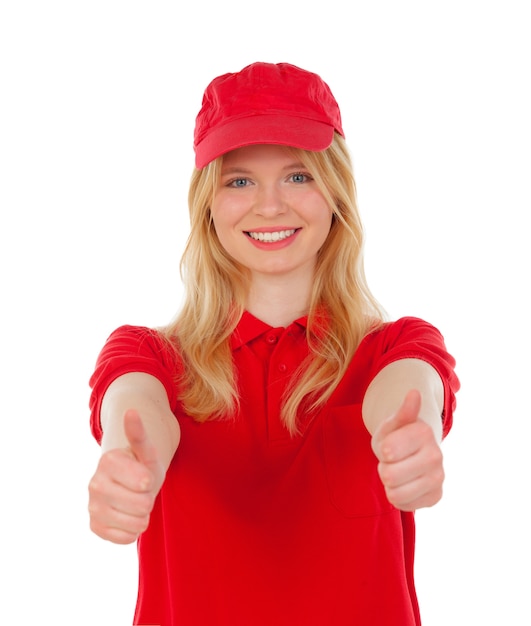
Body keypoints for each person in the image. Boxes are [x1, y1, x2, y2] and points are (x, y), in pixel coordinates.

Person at [87, 62, 460, 626]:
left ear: (335, 193)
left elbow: (412, 389)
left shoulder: (394, 347)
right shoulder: (150, 357)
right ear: (207, 204)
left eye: (298, 175)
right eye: (239, 180)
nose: (269, 206)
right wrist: (128, 457)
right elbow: (134, 407)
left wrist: (410, 436)